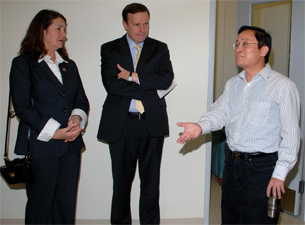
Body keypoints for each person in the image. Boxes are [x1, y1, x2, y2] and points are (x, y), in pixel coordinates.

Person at [177, 25, 300, 224]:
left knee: (259, 220)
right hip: (232, 165)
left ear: (264, 50)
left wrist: (279, 174)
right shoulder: (233, 84)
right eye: (237, 44)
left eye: (245, 44)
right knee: (230, 219)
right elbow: (219, 114)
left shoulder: (283, 86)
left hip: (262, 168)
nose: (238, 49)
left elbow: (292, 134)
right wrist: (200, 127)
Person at [9, 9, 89, 224]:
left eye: (65, 29)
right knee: (40, 206)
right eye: (59, 28)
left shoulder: (69, 65)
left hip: (71, 146)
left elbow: (81, 101)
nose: (64, 34)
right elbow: (23, 106)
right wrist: (54, 131)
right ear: (42, 31)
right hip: (41, 146)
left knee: (66, 205)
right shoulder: (23, 64)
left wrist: (76, 119)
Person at [97, 3, 174, 224]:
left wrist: (131, 76)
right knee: (121, 184)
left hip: (152, 123)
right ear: (125, 24)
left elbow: (166, 79)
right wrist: (148, 85)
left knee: (150, 184)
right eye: (136, 24)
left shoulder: (160, 48)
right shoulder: (110, 49)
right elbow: (112, 85)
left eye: (146, 23)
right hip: (122, 125)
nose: (142, 29)